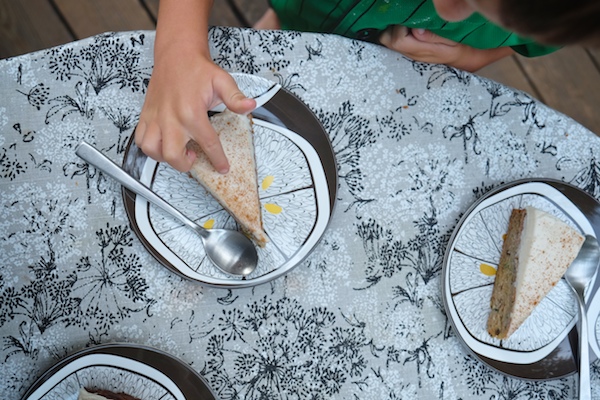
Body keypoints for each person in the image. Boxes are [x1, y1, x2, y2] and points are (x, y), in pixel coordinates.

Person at [134, 0, 600, 174]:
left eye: (485, 11)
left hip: (403, 72)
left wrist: (478, 54)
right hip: (311, 10)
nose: (452, 11)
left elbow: (529, 41)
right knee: (279, 39)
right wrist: (177, 47)